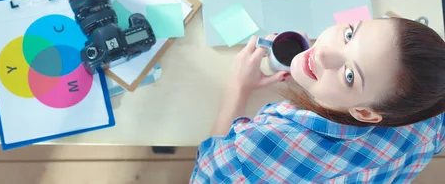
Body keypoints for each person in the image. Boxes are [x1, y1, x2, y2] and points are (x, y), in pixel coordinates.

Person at [190, 17, 445, 183]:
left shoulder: (256, 148)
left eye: (349, 76)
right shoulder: (430, 112)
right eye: (349, 35)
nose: (322, 52)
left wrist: (238, 87)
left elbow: (205, 173)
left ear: (365, 113)